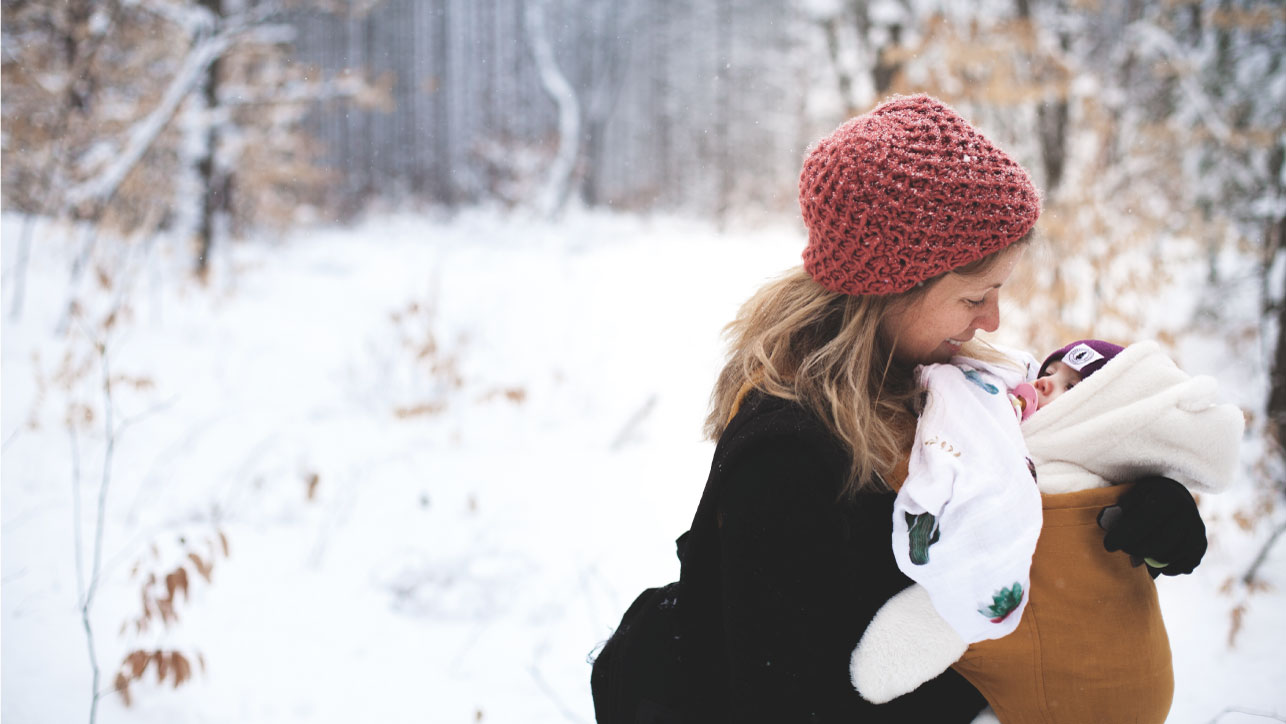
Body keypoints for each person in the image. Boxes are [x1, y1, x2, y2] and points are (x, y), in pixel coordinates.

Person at [663, 94, 1210, 723]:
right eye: (976, 295)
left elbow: (1038, 497)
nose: (994, 321)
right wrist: (998, 698)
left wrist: (1150, 517)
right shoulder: (788, 449)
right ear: (887, 289)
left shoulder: (956, 382)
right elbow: (786, 699)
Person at [855, 338, 1243, 723]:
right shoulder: (984, 418)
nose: (1043, 382)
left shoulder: (1051, 479)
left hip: (1077, 692)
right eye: (1049, 371)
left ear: (1100, 414)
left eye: (1071, 386)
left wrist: (1166, 516)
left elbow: (985, 569)